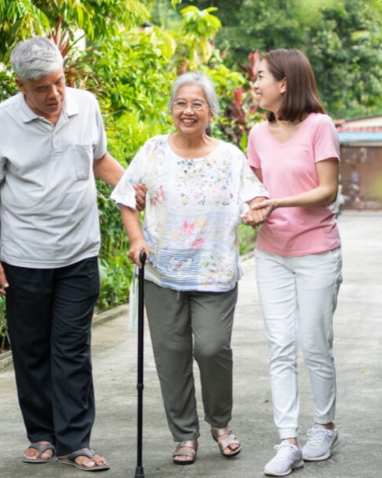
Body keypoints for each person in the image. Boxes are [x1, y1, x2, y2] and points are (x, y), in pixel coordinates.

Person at [0, 36, 143, 472]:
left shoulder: (84, 106)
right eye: (42, 88)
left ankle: (76, 441)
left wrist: (134, 189)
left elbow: (99, 160)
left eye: (60, 82)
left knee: (71, 349)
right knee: (31, 350)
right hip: (23, 257)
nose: (55, 95)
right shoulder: (0, 121)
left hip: (78, 254)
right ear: (20, 86)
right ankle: (42, 436)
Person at [111, 72, 268, 466]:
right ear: (171, 109)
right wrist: (135, 240)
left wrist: (254, 211)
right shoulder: (153, 151)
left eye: (197, 103)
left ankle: (220, 422)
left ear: (211, 111)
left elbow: (258, 196)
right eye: (181, 103)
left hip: (214, 272)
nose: (188, 110)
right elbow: (127, 197)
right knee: (171, 353)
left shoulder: (230, 156)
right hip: (162, 272)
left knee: (213, 348)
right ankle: (185, 435)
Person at [243, 48, 343, 477]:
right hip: (271, 254)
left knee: (314, 343)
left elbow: (328, 190)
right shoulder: (255, 134)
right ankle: (287, 440)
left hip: (317, 250)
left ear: (284, 83)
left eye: (261, 76)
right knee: (280, 346)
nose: (254, 83)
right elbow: (251, 188)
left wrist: (277, 201)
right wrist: (251, 209)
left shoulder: (320, 126)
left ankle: (324, 426)